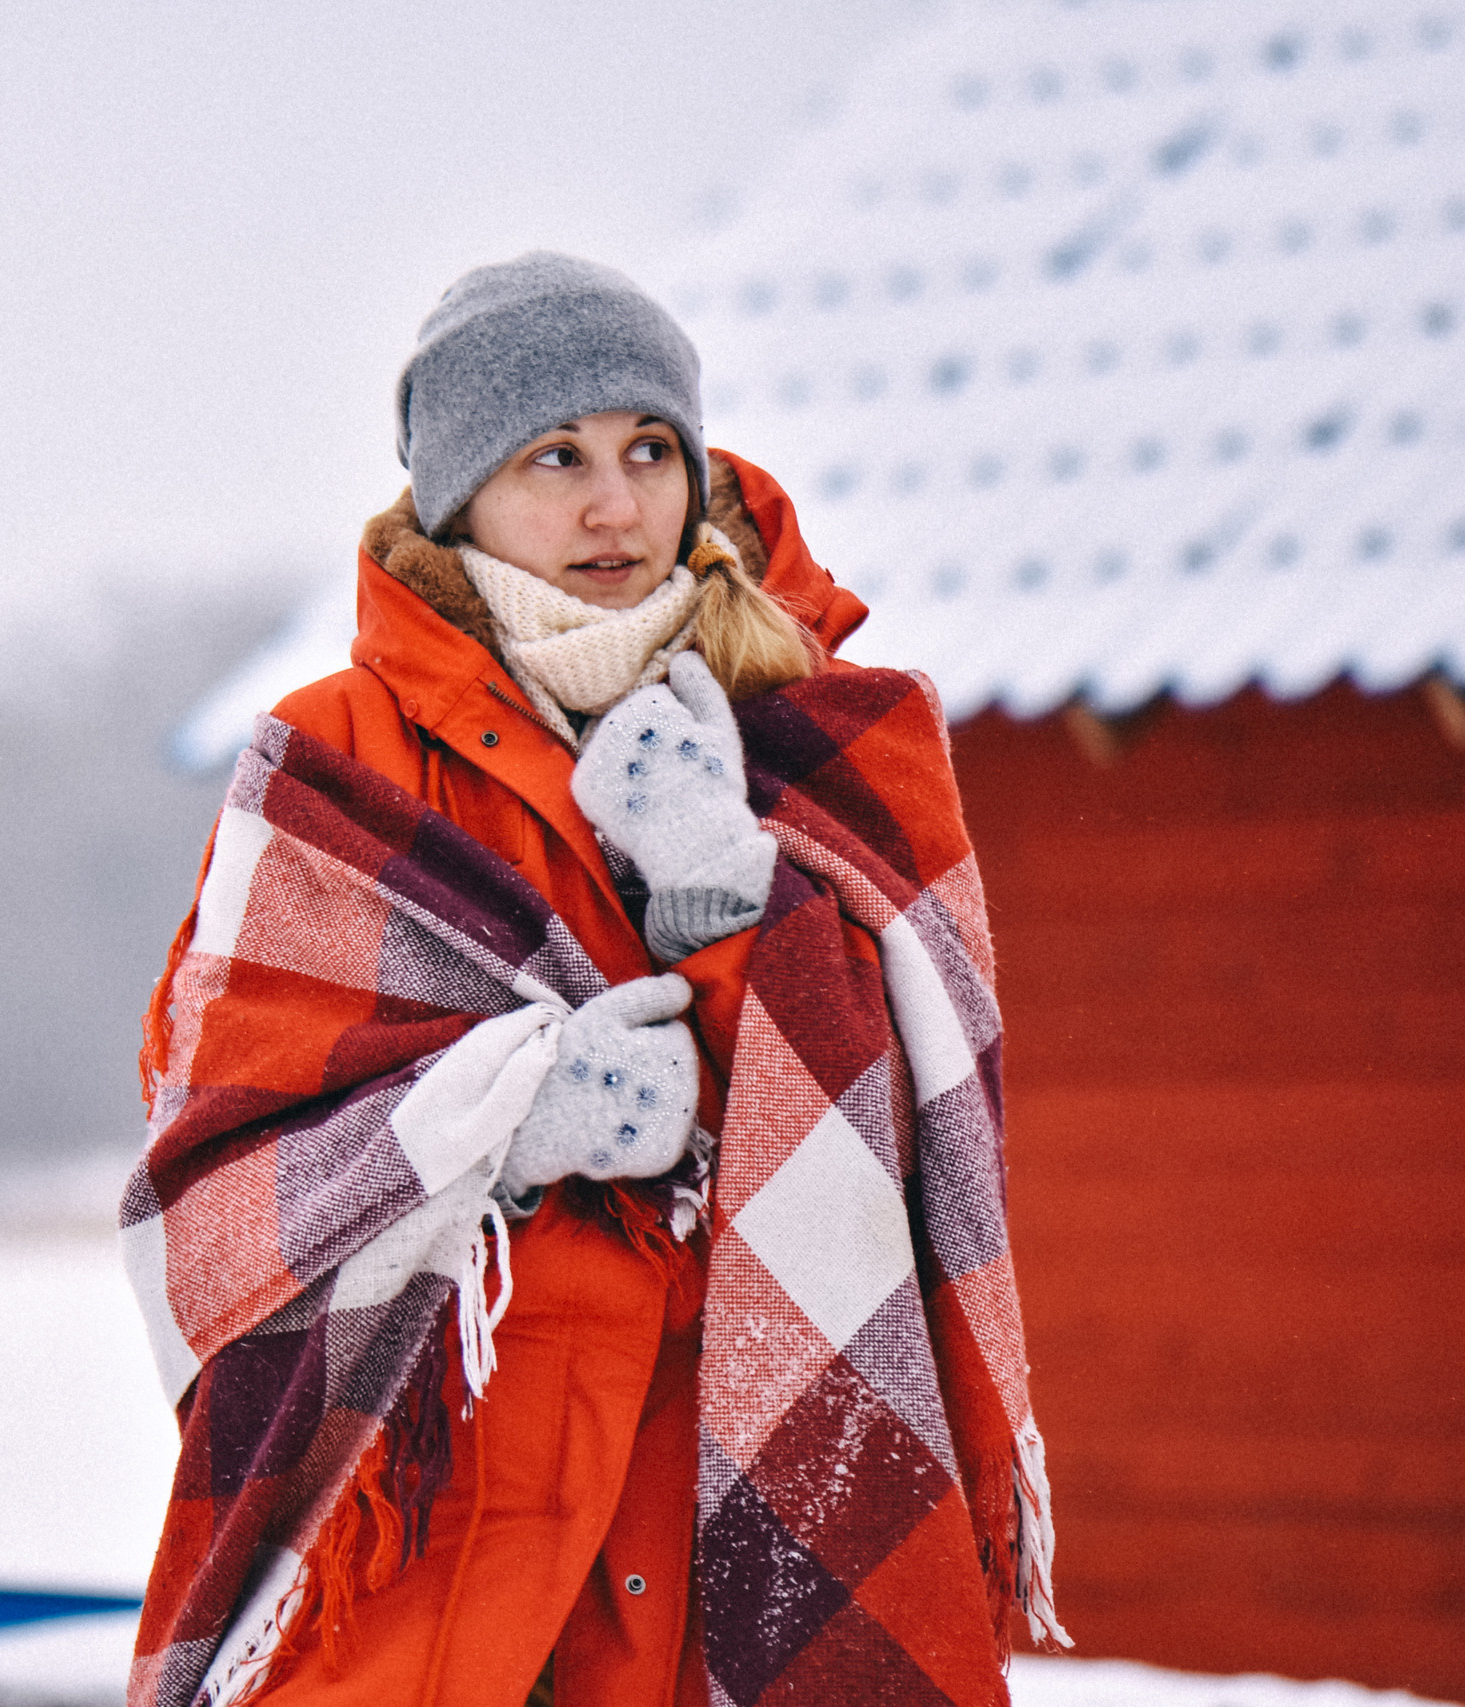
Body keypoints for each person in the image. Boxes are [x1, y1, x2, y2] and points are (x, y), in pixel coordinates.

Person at [122, 254, 1065, 1707]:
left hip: (739, 1519)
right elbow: (211, 1204)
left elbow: (923, 1138)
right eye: (553, 455)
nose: (613, 505)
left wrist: (722, 900)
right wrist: (496, 1121)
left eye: (648, 451)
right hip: (433, 1536)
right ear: (456, 493)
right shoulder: (332, 764)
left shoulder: (822, 735)